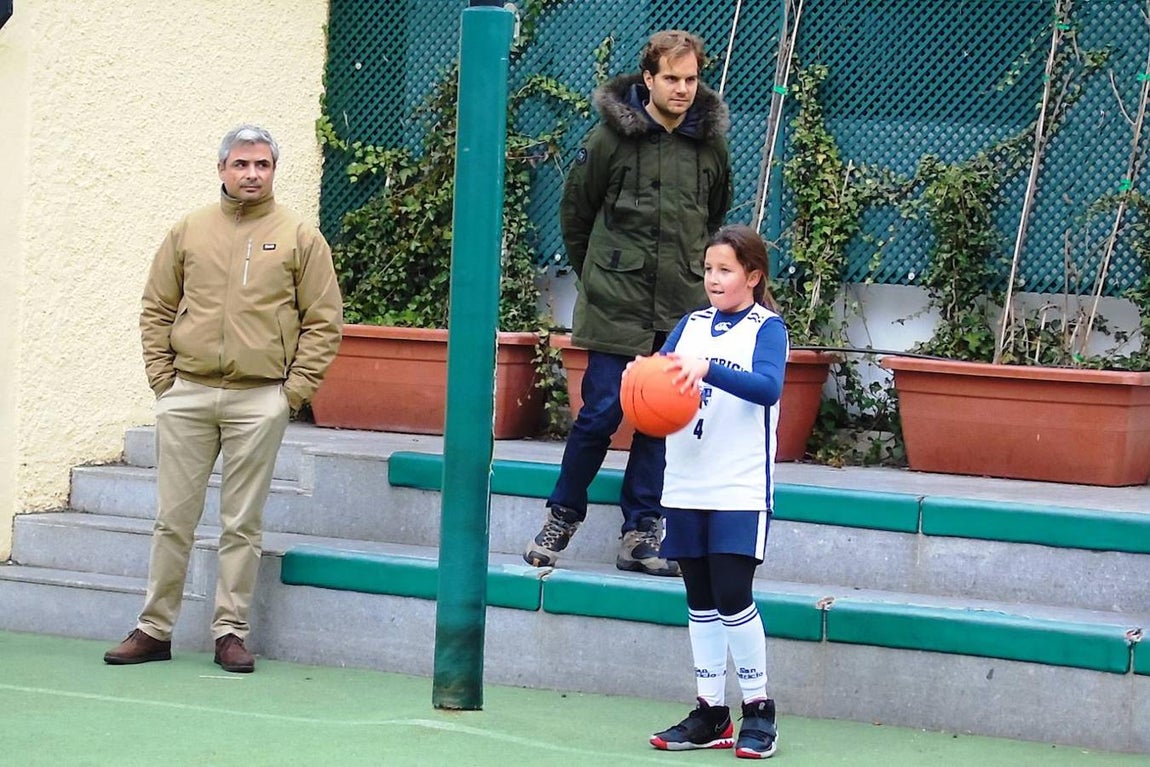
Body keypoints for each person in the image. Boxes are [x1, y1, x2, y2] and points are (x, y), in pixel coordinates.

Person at [104, 125, 343, 673]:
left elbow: (324, 322)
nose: (252, 174)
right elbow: (157, 307)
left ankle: (230, 632)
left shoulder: (300, 237)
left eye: (262, 165)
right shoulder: (189, 231)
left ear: (274, 171)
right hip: (186, 394)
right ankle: (154, 629)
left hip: (260, 399)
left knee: (241, 523)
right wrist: (163, 380)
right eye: (241, 164)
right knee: (173, 518)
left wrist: (293, 393)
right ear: (222, 170)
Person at [524, 29, 732, 576]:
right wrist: (601, 272)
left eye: (691, 79)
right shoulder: (608, 140)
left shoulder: (710, 144)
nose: (683, 89)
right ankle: (562, 514)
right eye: (671, 79)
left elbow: (712, 217)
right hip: (614, 303)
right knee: (601, 414)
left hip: (679, 308)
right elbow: (576, 216)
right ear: (648, 79)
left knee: (661, 420)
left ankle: (642, 533)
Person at [645, 225, 787, 758]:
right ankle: (710, 711)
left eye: (725, 270)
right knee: (700, 599)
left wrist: (709, 368)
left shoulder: (767, 328)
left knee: (732, 594)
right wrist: (643, 385)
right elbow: (662, 379)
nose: (714, 279)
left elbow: (767, 387)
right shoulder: (690, 324)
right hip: (685, 481)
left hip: (739, 486)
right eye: (708, 269)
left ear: (752, 276)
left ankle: (759, 709)